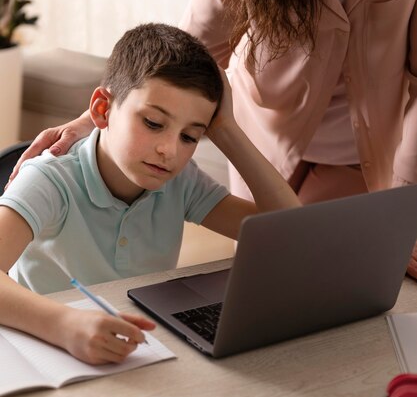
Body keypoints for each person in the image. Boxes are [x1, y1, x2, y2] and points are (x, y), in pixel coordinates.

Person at [13, 0, 417, 275]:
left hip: (362, 150)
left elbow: (293, 229)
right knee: (272, 273)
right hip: (265, 135)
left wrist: (406, 203)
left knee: (333, 274)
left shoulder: (180, 184)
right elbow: (190, 56)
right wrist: (96, 118)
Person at [0, 23, 299, 366]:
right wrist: (65, 323)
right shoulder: (51, 180)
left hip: (135, 350)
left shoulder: (182, 182)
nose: (169, 150)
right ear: (102, 110)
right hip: (46, 350)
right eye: (154, 123)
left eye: (190, 136)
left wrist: (227, 131)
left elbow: (291, 235)